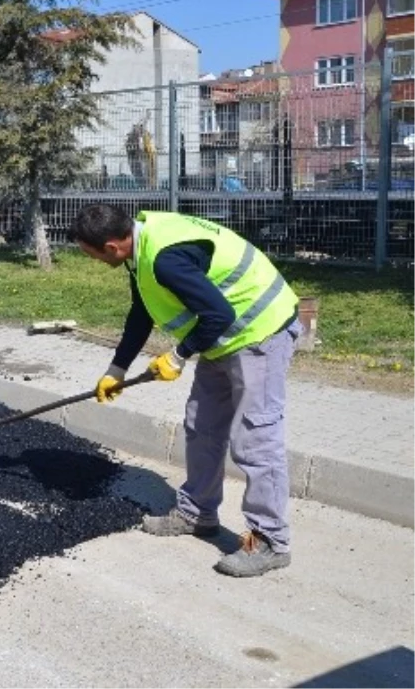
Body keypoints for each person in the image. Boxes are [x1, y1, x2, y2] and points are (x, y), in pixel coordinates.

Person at [69, 204, 302, 578]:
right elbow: (142, 310)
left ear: (112, 247)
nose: (91, 260)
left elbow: (219, 314)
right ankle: (198, 513)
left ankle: (272, 541)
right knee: (201, 426)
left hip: (261, 331)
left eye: (90, 253)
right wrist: (117, 369)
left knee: (255, 438)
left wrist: (178, 356)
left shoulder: (164, 259)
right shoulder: (141, 246)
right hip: (223, 340)